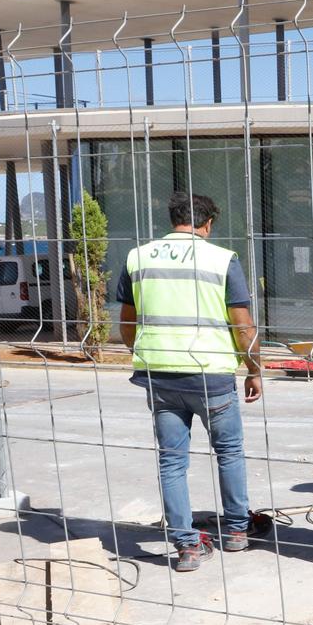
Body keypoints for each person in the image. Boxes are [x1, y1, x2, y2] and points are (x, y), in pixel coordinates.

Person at [116, 192, 262, 573]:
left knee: (172, 461)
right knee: (229, 451)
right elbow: (242, 326)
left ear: (173, 218)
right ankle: (236, 532)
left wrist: (146, 351)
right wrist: (254, 368)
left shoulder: (138, 257)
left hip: (159, 375)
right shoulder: (222, 259)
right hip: (211, 375)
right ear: (208, 223)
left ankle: (186, 546)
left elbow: (127, 324)